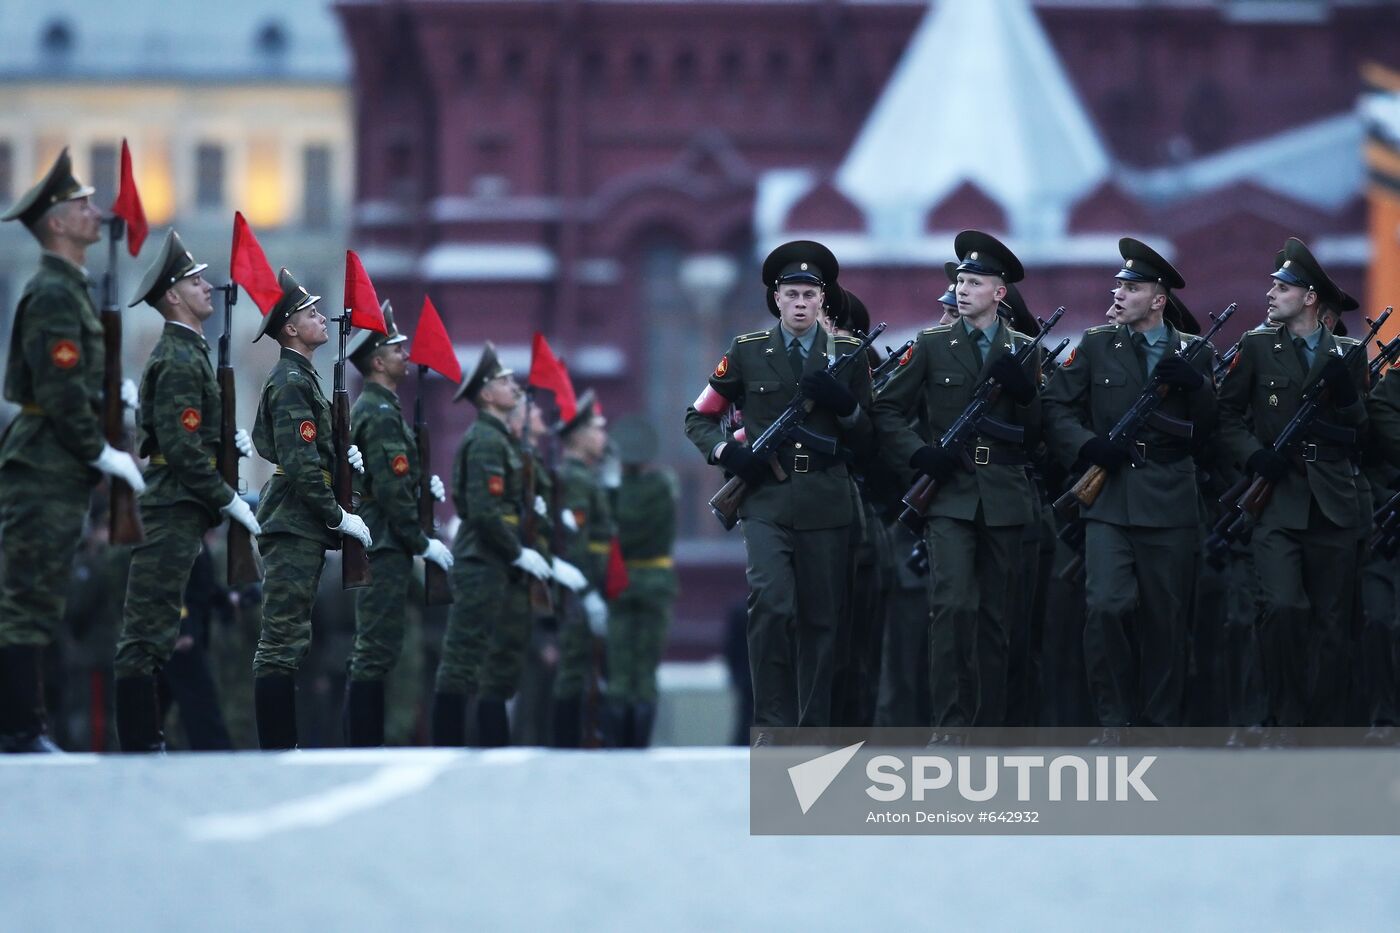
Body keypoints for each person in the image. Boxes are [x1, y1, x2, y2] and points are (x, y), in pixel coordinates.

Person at [685, 240, 874, 735]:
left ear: (822, 301)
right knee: (770, 602)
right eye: (791, 293)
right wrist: (730, 454)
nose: (800, 303)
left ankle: (812, 729)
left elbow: (871, 432)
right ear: (776, 298)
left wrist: (845, 406)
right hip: (766, 498)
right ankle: (770, 725)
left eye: (810, 295)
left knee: (821, 622)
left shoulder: (848, 355)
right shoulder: (747, 351)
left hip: (827, 501)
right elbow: (699, 416)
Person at [0, 149, 146, 752]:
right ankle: (17, 729)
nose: (95, 211)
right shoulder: (56, 295)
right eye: (81, 204)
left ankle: (24, 726)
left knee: (39, 594)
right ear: (56, 223)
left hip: (56, 461)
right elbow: (61, 392)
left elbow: (79, 384)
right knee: (26, 597)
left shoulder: (72, 291)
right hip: (44, 461)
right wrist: (100, 451)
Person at [1042, 238, 1216, 740]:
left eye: (1132, 288)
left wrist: (1197, 387)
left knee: (1166, 618)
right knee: (1107, 606)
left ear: (1158, 299)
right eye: (1118, 285)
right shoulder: (1097, 344)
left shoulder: (1194, 353)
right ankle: (1114, 720)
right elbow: (1056, 407)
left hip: (1169, 498)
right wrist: (1089, 446)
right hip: (1110, 497)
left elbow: (1209, 430)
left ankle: (1160, 724)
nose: (1119, 294)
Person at [871, 230, 1041, 737]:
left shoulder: (1024, 350)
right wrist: (919, 453)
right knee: (951, 606)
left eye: (976, 281)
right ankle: (949, 726)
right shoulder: (930, 344)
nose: (963, 289)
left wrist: (1025, 394)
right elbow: (885, 408)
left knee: (996, 617)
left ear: (999, 293)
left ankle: (989, 728)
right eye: (960, 280)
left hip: (1005, 497)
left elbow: (1035, 434)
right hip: (949, 498)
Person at [112, 230, 261, 751]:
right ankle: (136, 745)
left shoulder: (191, 353)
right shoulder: (178, 358)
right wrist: (228, 498)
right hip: (170, 505)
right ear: (172, 296)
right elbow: (179, 445)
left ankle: (144, 739)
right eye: (196, 282)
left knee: (154, 631)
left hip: (181, 506)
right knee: (147, 631)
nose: (207, 288)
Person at [1216, 237, 1368, 740]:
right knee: (1283, 608)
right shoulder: (1258, 346)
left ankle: (1324, 728)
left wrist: (1347, 403)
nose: (1271, 293)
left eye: (1283, 287)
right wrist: (1253, 454)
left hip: (1333, 503)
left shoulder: (1347, 353)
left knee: (1331, 623)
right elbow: (1226, 413)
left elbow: (1360, 432)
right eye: (1272, 285)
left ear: (1309, 298)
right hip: (1276, 501)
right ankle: (1285, 716)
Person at [249, 269, 370, 750]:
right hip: (294, 521)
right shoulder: (292, 380)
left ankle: (282, 743)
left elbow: (287, 449)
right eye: (311, 313)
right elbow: (299, 464)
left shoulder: (302, 379)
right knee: (281, 638)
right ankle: (277, 745)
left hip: (300, 521)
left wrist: (346, 464)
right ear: (291, 329)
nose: (323, 317)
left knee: (290, 636)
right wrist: (338, 516)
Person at [342, 301, 453, 746]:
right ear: (376, 361)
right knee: (374, 650)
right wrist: (421, 541)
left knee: (381, 648)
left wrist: (424, 488)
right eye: (396, 347)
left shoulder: (384, 409)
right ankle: (360, 745)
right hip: (385, 544)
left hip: (388, 543)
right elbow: (390, 488)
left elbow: (399, 479)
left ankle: (364, 741)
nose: (405, 353)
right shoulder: (381, 413)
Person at [433, 344, 552, 746]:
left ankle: (487, 745)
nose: (512, 385)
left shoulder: (497, 438)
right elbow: (483, 510)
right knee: (464, 656)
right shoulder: (486, 439)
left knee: (490, 659)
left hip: (493, 560)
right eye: (502, 380)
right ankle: (445, 747)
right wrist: (518, 551)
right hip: (481, 560)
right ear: (485, 395)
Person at [605, 415, 678, 747]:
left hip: (620, 582)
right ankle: (640, 744)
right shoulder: (663, 486)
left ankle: (619, 742)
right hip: (655, 581)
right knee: (646, 669)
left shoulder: (611, 492)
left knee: (620, 668)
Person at [548, 390, 612, 747]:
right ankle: (565, 747)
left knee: (583, 665)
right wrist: (586, 592)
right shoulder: (576, 478)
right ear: (578, 436)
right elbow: (574, 540)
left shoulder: (585, 475)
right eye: (596, 429)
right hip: (579, 587)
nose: (602, 437)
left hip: (590, 583)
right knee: (573, 667)